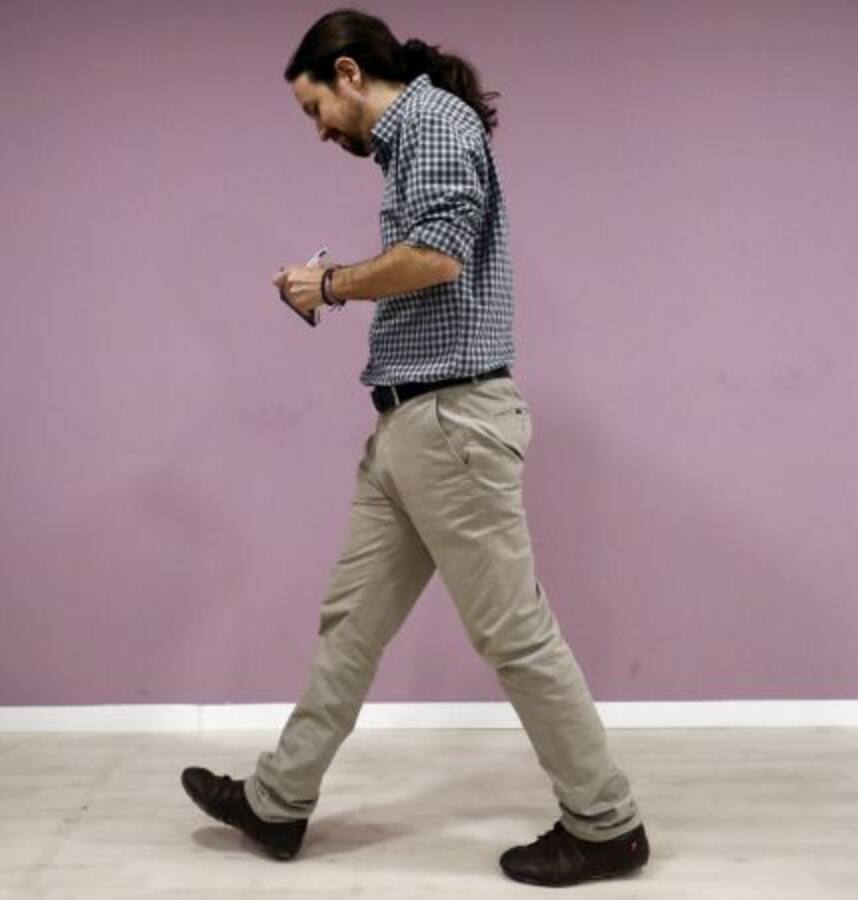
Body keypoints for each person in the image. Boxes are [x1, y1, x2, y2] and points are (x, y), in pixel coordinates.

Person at [181, 8, 649, 887]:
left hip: (450, 425)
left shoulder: (430, 122)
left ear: (349, 73)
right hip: (411, 425)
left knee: (514, 634)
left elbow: (436, 257)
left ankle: (606, 823)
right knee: (350, 625)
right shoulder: (412, 138)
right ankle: (279, 804)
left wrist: (330, 283)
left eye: (315, 108)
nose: (319, 130)